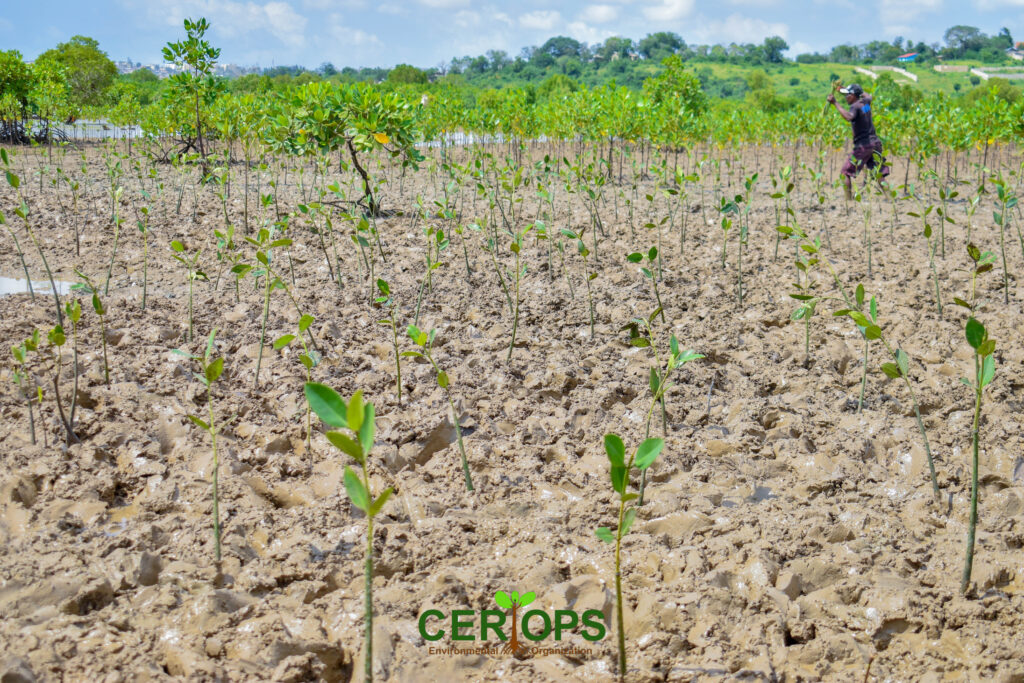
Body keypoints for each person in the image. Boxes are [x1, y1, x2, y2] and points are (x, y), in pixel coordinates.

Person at [827, 83, 890, 200]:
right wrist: (845, 90)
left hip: (863, 146)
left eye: (848, 95)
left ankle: (848, 202)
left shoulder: (855, 106)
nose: (846, 97)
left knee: (845, 172)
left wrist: (835, 103)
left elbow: (849, 117)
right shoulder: (866, 103)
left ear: (854, 95)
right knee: (879, 173)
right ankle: (891, 199)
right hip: (875, 143)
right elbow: (869, 96)